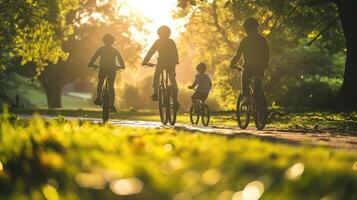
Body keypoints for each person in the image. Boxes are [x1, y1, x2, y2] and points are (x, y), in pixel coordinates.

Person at [230, 17, 269, 97]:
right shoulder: (263, 39)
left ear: (246, 29)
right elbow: (267, 53)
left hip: (249, 67)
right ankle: (259, 101)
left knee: (245, 79)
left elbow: (238, 55)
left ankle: (246, 98)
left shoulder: (244, 41)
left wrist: (232, 64)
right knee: (258, 86)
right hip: (260, 67)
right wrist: (266, 64)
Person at [141, 25, 179, 108]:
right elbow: (175, 52)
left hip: (161, 63)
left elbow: (151, 52)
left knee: (157, 76)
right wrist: (176, 61)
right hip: (171, 63)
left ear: (159, 34)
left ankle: (155, 93)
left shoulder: (158, 42)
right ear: (169, 33)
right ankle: (176, 97)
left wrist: (145, 62)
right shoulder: (171, 41)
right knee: (172, 78)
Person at [88, 33, 125, 112]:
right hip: (112, 69)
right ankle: (111, 105)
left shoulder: (101, 49)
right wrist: (122, 66)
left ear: (104, 41)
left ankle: (98, 98)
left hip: (103, 69)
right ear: (113, 42)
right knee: (111, 86)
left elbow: (94, 56)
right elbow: (120, 58)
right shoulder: (114, 50)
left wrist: (91, 64)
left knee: (100, 82)